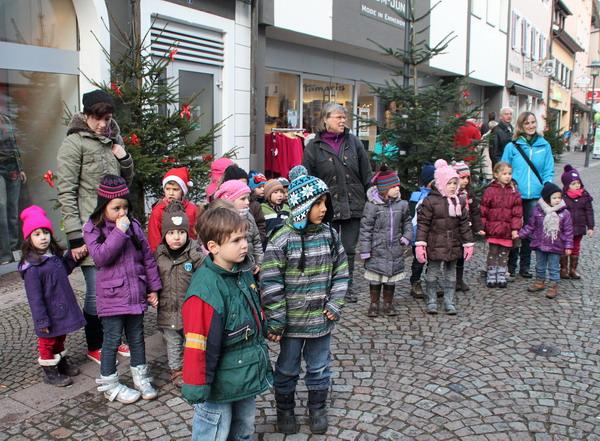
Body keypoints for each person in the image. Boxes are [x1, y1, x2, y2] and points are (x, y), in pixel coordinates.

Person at [261, 170, 348, 435]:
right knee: (287, 369)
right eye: (317, 204)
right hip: (291, 324)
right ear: (301, 206)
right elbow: (271, 282)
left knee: (319, 366)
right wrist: (276, 319)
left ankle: (317, 407)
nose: (323, 209)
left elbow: (341, 272)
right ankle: (285, 409)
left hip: (321, 320)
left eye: (325, 203)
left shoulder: (330, 236)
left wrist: (335, 304)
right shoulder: (281, 240)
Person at [57, 89, 134, 363]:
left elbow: (126, 182)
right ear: (86, 115)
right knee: (96, 291)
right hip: (91, 232)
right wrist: (75, 238)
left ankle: (115, 339)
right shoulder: (74, 143)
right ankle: (95, 344)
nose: (103, 124)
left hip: (117, 226)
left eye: (107, 118)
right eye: (97, 118)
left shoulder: (114, 137)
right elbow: (66, 192)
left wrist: (123, 157)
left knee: (119, 286)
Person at [182, 206, 272, 441]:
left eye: (245, 237)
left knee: (244, 429)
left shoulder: (242, 272)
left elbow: (253, 312)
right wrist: (197, 385)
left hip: (245, 374)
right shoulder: (205, 292)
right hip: (219, 386)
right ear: (213, 247)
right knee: (214, 433)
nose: (244, 244)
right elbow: (197, 345)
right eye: (236, 240)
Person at [83, 175, 161, 404]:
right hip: (112, 296)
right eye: (116, 208)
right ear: (103, 207)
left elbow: (147, 258)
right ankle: (109, 383)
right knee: (112, 340)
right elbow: (101, 257)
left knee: (137, 337)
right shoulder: (92, 229)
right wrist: (118, 232)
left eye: (125, 207)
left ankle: (140, 376)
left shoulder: (134, 226)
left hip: (135, 292)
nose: (122, 213)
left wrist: (153, 288)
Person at [303, 102, 371, 303]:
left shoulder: (354, 142)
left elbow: (366, 172)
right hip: (327, 206)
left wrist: (372, 194)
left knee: (349, 248)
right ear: (325, 119)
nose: (343, 120)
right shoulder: (313, 147)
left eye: (344, 117)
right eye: (338, 117)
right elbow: (308, 178)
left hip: (353, 203)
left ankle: (347, 286)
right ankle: (328, 285)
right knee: (328, 246)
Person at [18, 205, 86, 386]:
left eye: (45, 233)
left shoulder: (52, 257)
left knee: (60, 337)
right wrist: (41, 321)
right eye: (37, 234)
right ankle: (49, 372)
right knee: (47, 342)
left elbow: (64, 270)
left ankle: (61, 363)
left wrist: (73, 257)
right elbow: (35, 299)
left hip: (61, 307)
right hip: (48, 313)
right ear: (28, 239)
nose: (43, 238)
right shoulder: (32, 268)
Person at [154, 201, 204, 387]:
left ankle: (192, 369)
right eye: (172, 233)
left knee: (191, 341)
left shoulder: (195, 254)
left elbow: (205, 275)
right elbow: (152, 276)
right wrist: (151, 292)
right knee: (172, 341)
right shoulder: (159, 254)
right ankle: (176, 370)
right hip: (168, 307)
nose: (177, 237)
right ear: (165, 234)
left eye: (181, 232)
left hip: (189, 307)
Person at [415, 159, 474, 315]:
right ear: (441, 183)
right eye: (449, 183)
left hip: (453, 244)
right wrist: (421, 244)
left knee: (451, 273)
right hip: (435, 243)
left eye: (455, 183)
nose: (453, 186)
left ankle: (449, 300)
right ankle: (432, 299)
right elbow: (423, 224)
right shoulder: (430, 201)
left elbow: (464, 224)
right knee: (432, 272)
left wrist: (468, 243)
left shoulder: (459, 201)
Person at [501, 111, 554, 279]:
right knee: (513, 229)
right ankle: (510, 265)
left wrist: (546, 185)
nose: (531, 126)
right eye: (527, 123)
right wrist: (507, 184)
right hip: (515, 194)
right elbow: (503, 167)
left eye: (533, 122)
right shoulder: (513, 146)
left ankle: (524, 266)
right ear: (521, 126)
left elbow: (548, 169)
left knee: (529, 232)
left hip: (535, 195)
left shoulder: (544, 145)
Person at [358, 166, 412, 317]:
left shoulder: (402, 205)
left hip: (394, 248)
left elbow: (407, 221)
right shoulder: (372, 206)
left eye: (397, 186)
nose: (397, 189)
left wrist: (407, 236)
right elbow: (366, 229)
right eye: (393, 186)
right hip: (377, 249)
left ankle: (388, 303)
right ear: (384, 189)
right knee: (375, 278)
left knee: (390, 280)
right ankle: (374, 303)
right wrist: (365, 249)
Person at [518, 182, 573, 299]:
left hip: (556, 245)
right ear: (547, 198)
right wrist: (521, 234)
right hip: (540, 243)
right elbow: (530, 226)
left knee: (554, 266)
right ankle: (540, 281)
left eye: (559, 197)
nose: (558, 200)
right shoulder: (537, 211)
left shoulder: (565, 213)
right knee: (540, 265)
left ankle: (553, 285)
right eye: (554, 198)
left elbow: (568, 231)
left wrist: (568, 246)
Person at [480, 162, 523, 288]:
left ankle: (501, 274)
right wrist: (482, 227)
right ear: (496, 175)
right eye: (504, 174)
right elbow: (483, 210)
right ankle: (491, 274)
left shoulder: (514, 191)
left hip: (507, 230)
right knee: (493, 252)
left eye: (509, 174)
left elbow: (517, 213)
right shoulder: (489, 191)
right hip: (493, 229)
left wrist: (515, 229)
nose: (507, 176)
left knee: (504, 253)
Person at [214, 180, 263, 274]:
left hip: (248, 266)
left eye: (248, 198)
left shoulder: (249, 217)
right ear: (230, 200)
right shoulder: (218, 220)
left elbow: (256, 240)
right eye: (243, 198)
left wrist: (259, 262)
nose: (248, 202)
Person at [147, 167, 197, 252]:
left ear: (183, 191)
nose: (171, 193)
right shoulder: (158, 211)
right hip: (166, 255)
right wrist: (159, 256)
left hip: (189, 253)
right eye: (167, 189)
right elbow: (154, 238)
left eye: (175, 189)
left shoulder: (192, 209)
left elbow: (195, 233)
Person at [452, 161, 484, 292]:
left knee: (461, 255)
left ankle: (459, 280)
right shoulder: (451, 192)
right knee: (451, 255)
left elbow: (475, 212)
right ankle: (449, 280)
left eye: (467, 178)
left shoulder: (468, 193)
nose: (465, 181)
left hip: (465, 228)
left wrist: (478, 227)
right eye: (462, 178)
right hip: (453, 228)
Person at [0, 110, 26, 264]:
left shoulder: (6, 120)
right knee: (1, 207)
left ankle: (14, 249)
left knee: (12, 209)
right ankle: (4, 253)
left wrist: (20, 168)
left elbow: (14, 145)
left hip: (13, 169)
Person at [560, 165, 594, 279]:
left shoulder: (585, 196)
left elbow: (589, 212)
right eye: (573, 184)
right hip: (566, 229)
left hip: (579, 227)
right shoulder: (562, 197)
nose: (577, 185)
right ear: (567, 185)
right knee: (564, 247)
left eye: (578, 183)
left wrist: (590, 227)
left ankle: (573, 270)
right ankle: (563, 269)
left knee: (576, 247)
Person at [408, 163, 435, 299]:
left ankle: (432, 282)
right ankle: (415, 282)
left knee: (433, 260)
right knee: (419, 260)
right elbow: (411, 217)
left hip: (434, 235)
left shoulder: (439, 196)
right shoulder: (417, 196)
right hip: (418, 234)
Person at [226, 166, 267, 248]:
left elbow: (260, 228)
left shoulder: (253, 206)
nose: (242, 188)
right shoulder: (221, 212)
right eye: (238, 184)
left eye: (245, 184)